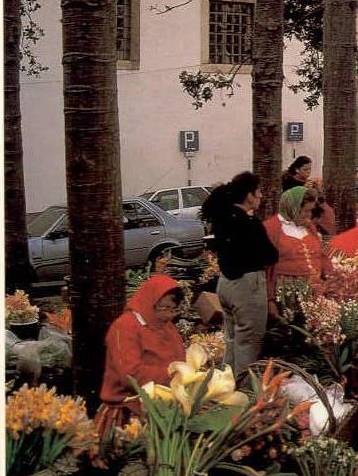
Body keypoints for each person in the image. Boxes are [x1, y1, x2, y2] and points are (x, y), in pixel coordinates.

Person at [201, 172, 278, 377]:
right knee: (249, 343)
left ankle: (227, 385)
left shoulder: (222, 218)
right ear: (248, 195)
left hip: (226, 285)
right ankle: (246, 393)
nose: (261, 196)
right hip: (247, 287)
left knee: (232, 340)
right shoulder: (249, 224)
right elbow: (271, 255)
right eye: (259, 192)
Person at [96, 275, 185, 436]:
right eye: (164, 308)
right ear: (149, 302)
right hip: (127, 413)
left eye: (173, 309)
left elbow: (180, 360)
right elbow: (130, 375)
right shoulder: (125, 327)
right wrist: (176, 375)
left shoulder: (167, 328)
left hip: (164, 407)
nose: (168, 316)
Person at [264, 187, 331, 305]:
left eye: (311, 211)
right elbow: (266, 268)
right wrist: (269, 300)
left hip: (314, 293)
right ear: (293, 208)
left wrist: (331, 279)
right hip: (286, 296)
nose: (309, 215)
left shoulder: (308, 227)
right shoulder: (271, 228)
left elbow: (320, 255)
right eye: (305, 211)